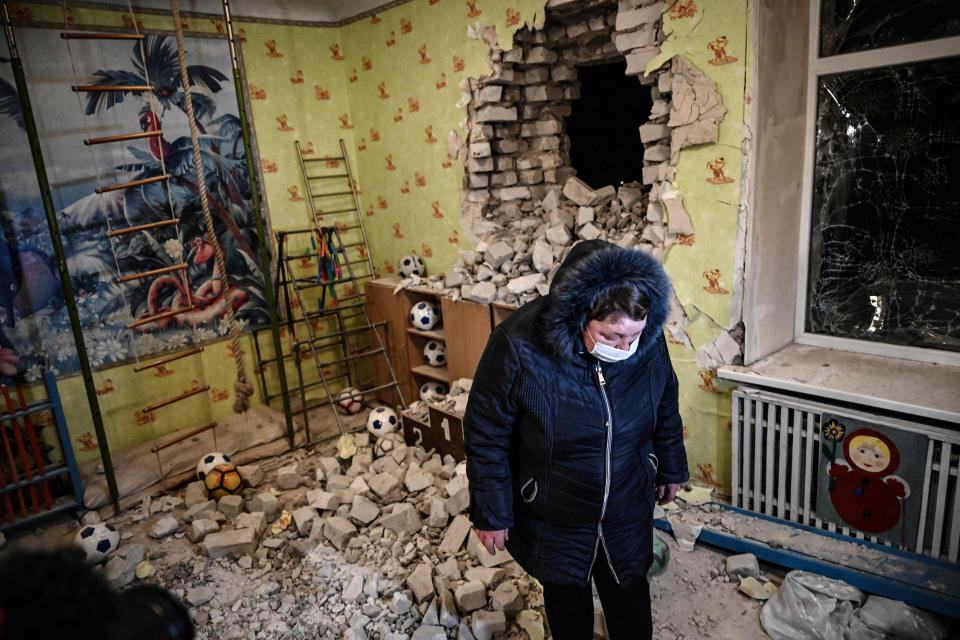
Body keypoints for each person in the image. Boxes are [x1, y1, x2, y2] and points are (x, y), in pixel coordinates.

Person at [463, 239, 688, 640]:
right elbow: (486, 431)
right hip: (555, 505)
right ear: (580, 313)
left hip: (625, 499)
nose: (626, 347)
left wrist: (669, 464)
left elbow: (664, 400)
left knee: (630, 586)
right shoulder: (518, 344)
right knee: (567, 593)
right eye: (612, 335)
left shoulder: (646, 338)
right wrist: (492, 512)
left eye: (633, 335)